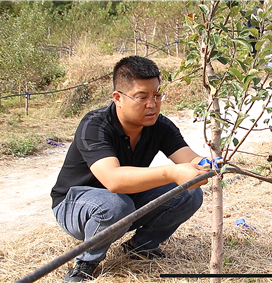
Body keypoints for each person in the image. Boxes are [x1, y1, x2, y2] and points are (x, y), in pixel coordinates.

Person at [50, 56, 210, 282]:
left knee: (189, 193)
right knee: (115, 204)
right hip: (75, 204)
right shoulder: (95, 125)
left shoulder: (159, 125)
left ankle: (141, 247)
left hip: (125, 203)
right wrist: (171, 172)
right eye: (142, 97)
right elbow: (114, 180)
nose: (152, 104)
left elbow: (191, 159)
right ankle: (86, 263)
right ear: (118, 98)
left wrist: (211, 164)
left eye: (157, 95)